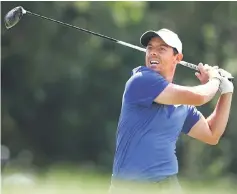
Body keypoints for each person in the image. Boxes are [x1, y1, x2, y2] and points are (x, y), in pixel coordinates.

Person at [109, 28, 234, 194]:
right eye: (150, 48)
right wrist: (215, 80)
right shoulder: (141, 80)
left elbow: (212, 134)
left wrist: (226, 92)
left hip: (168, 184)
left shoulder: (181, 105)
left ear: (178, 58)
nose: (153, 53)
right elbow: (200, 97)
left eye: (161, 49)